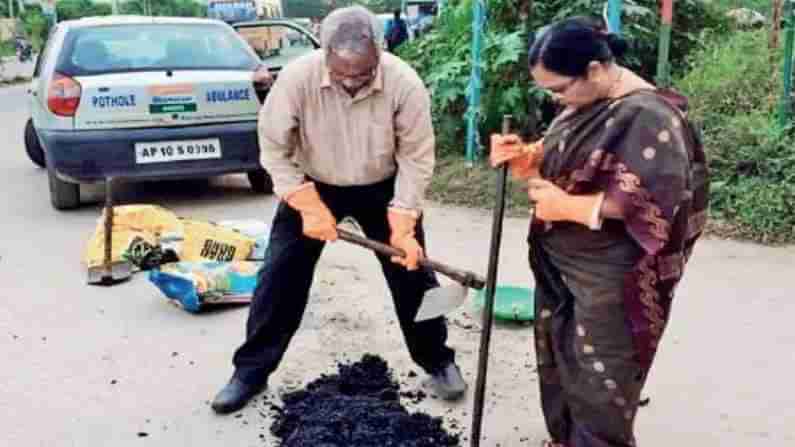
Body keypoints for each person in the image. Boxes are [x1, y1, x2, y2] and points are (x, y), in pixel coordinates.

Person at [211, 5, 467, 415]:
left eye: (362, 74)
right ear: (324, 53)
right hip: (313, 184)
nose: (351, 82)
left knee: (414, 276)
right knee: (279, 278)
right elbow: (273, 147)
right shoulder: (297, 78)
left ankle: (438, 359)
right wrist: (306, 204)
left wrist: (403, 222)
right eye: (341, 73)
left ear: (380, 54)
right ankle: (250, 372)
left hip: (382, 187)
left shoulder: (404, 83)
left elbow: (416, 158)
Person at [490, 17, 709, 447]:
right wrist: (527, 157)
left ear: (594, 69)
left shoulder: (647, 113)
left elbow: (661, 199)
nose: (557, 100)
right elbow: (575, 158)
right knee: (559, 351)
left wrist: (572, 206)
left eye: (558, 89)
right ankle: (567, 438)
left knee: (601, 369)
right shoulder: (585, 100)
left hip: (611, 272)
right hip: (560, 258)